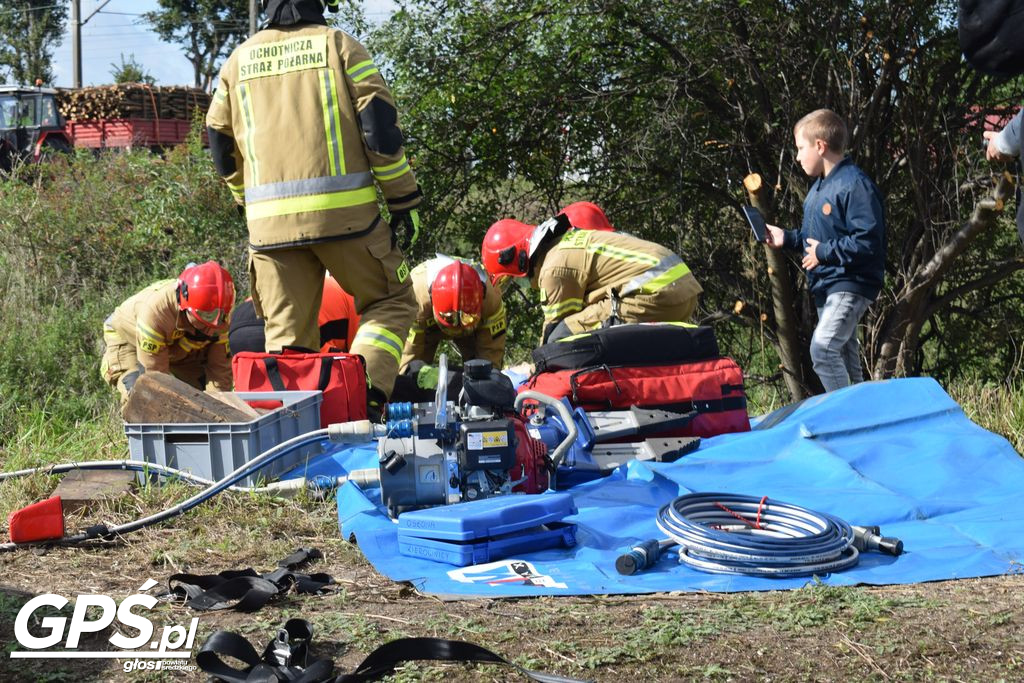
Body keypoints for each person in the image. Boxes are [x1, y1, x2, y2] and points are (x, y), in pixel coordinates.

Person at [205, 0, 420, 415]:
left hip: (269, 232)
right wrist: (403, 198)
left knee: (288, 346)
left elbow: (220, 144)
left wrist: (242, 200)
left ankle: (293, 436)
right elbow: (380, 129)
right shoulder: (339, 46)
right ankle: (365, 400)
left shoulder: (238, 60)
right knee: (392, 301)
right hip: (348, 221)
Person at [764, 109, 886, 393]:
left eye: (800, 148)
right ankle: (866, 420)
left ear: (820, 146)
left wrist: (826, 253)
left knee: (822, 350)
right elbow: (813, 241)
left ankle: (846, 420)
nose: (797, 157)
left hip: (849, 283)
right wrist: (789, 238)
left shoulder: (854, 185)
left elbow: (868, 241)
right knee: (845, 360)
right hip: (827, 287)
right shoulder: (818, 190)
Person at [481, 213, 702, 344]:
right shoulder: (565, 244)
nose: (518, 283)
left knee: (560, 338)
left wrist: (534, 376)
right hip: (683, 290)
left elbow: (552, 334)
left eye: (510, 279)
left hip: (657, 294)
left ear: (518, 259)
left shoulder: (552, 269)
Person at [100, 262, 235, 402]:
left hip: (178, 346)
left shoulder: (220, 316)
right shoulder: (155, 313)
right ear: (185, 305)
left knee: (204, 400)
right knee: (143, 397)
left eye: (220, 317)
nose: (214, 327)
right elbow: (155, 378)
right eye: (207, 316)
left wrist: (220, 408)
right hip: (130, 341)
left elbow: (220, 374)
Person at [398, 256, 507, 389]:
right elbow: (409, 355)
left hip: (472, 329)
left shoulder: (491, 300)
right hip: (426, 323)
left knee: (483, 375)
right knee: (412, 375)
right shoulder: (415, 300)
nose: (456, 328)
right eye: (450, 318)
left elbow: (492, 354)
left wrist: (487, 387)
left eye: (466, 317)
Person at [229, 274, 360, 355]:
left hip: (240, 320)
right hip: (280, 325)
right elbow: (359, 357)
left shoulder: (329, 285)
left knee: (255, 386)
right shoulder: (357, 301)